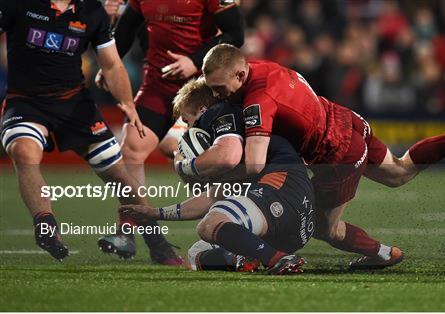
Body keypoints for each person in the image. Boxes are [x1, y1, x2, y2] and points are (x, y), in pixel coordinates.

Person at [201, 44, 445, 270]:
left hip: (335, 152)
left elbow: (256, 165)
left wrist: (211, 173)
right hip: (346, 119)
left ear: (240, 76)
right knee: (399, 172)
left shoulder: (258, 100)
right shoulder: (258, 68)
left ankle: (383, 254)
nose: (217, 95)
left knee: (321, 227)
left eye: (219, 88)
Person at [0, 0, 182, 264]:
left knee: (119, 175)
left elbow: (111, 64)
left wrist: (128, 104)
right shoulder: (19, 3)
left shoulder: (91, 11)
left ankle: (158, 244)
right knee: (23, 151)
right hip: (25, 102)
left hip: (75, 105)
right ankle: (45, 225)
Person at [95, 0, 245, 258]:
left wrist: (193, 60)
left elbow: (236, 34)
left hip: (202, 87)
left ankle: (226, 226)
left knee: (206, 162)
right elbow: (127, 29)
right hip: (159, 84)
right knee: (130, 151)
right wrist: (110, 63)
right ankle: (129, 229)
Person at [121, 79, 315, 275]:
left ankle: (278, 259)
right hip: (292, 218)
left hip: (282, 190)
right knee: (197, 253)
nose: (189, 129)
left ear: (202, 109)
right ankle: (247, 257)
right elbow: (211, 197)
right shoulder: (237, 130)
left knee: (210, 224)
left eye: (188, 121)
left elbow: (226, 157)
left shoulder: (219, 113)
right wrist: (156, 213)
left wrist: (187, 167)